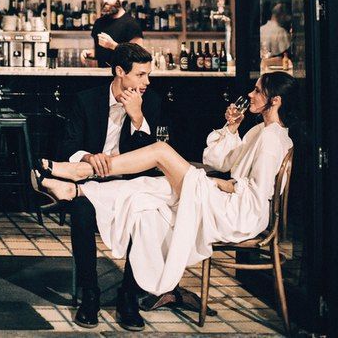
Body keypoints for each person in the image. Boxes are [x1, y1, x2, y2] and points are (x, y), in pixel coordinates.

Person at [32, 71, 297, 316]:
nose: (250, 95)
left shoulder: (272, 139)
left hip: (239, 212)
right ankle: (76, 188)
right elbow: (219, 162)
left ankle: (80, 172)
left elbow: (256, 193)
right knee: (149, 193)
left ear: (275, 101)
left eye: (257, 91)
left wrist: (220, 185)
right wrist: (231, 128)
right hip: (227, 199)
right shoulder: (258, 131)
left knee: (160, 151)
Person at [41, 43, 161, 331]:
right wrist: (87, 156)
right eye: (141, 75)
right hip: (90, 180)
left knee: (147, 215)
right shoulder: (87, 100)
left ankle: (128, 297)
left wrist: (137, 118)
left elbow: (153, 157)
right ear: (120, 72)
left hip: (130, 184)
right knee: (82, 213)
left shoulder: (151, 102)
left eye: (148, 75)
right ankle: (90, 294)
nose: (147, 82)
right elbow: (67, 144)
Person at [81, 0, 143, 67]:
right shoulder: (99, 23)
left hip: (123, 78)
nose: (105, 0)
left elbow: (140, 56)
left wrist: (114, 46)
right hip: (101, 78)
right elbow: (102, 53)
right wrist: (90, 53)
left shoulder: (131, 24)